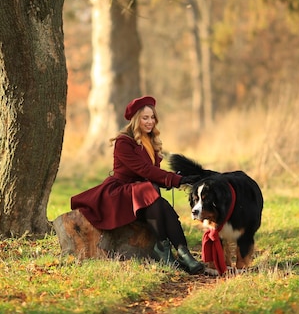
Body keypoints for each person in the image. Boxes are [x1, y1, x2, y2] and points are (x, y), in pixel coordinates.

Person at [71, 95, 205, 274]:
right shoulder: (124, 142)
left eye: (152, 117)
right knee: (150, 191)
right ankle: (165, 252)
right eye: (145, 118)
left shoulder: (150, 141)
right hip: (122, 192)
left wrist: (177, 178)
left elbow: (152, 174)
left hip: (144, 195)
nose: (150, 122)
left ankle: (183, 252)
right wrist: (176, 180)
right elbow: (145, 170)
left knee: (165, 209)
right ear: (136, 119)